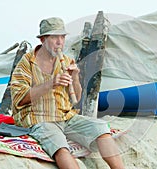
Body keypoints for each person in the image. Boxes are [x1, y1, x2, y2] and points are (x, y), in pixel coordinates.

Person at [10, 17, 124, 169]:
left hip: (65, 116)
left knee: (101, 129)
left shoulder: (66, 61)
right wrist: (51, 83)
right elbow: (19, 99)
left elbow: (76, 98)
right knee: (61, 147)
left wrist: (75, 77)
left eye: (62, 37)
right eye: (54, 37)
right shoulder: (27, 62)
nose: (60, 42)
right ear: (43, 39)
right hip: (39, 117)